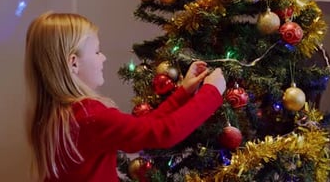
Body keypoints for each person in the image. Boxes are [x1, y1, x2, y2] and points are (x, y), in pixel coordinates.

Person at [25, 12, 226, 182]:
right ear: (74, 63)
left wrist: (183, 93)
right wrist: (211, 92)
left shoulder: (55, 114)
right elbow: (163, 133)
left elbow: (140, 131)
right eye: (96, 51)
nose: (103, 57)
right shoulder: (89, 116)